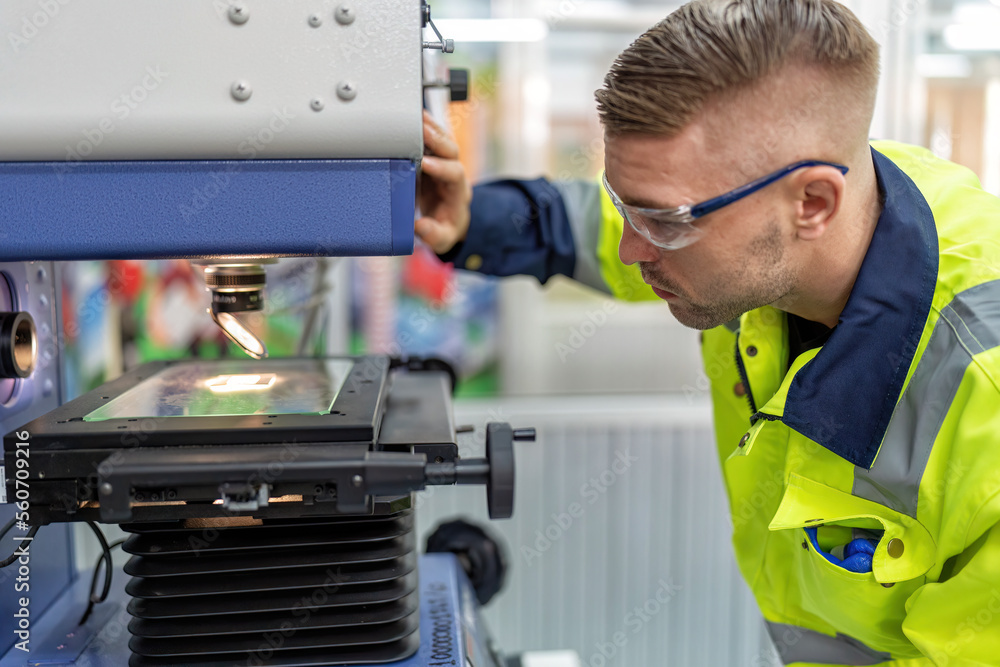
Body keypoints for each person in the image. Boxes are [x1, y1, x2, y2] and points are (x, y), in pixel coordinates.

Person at [417, 0, 1000, 664]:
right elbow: (605, 235)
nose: (634, 249)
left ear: (813, 203)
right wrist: (471, 220)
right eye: (625, 205)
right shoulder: (820, 199)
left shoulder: (981, 412)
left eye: (664, 222)